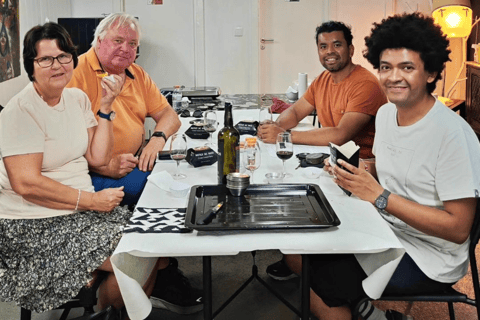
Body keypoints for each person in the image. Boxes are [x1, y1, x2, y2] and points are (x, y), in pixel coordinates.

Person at [288, 13, 480, 320]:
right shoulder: (388, 114)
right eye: (386, 67)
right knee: (296, 248)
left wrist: (379, 196)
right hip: (385, 227)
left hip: (429, 255)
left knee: (319, 276)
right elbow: (390, 165)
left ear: (430, 72)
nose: (393, 77)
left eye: (407, 67)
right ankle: (368, 312)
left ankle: (359, 311)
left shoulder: (452, 135)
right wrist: (358, 170)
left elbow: (458, 229)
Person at [0, 22, 161, 315]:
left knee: (150, 244)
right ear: (30, 65)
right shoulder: (21, 110)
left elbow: (97, 157)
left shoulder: (76, 99)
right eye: (46, 59)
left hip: (80, 212)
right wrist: (92, 200)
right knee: (136, 255)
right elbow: (26, 183)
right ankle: (108, 307)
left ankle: (105, 307)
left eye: (64, 56)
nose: (57, 65)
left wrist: (107, 106)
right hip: (35, 223)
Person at [67, 13, 202, 314]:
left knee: (177, 183)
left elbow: (170, 116)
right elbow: (57, 143)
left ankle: (148, 266)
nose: (126, 49)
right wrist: (102, 165)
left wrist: (156, 139)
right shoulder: (74, 73)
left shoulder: (136, 74)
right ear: (99, 40)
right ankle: (155, 269)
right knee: (159, 194)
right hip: (86, 175)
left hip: (128, 164)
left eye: (132, 44)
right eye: (118, 41)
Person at [260, 20, 387, 281]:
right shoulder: (323, 80)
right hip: (331, 161)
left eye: (337, 44)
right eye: (323, 46)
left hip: (362, 168)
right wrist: (275, 126)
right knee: (279, 183)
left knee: (294, 190)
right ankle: (296, 254)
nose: (329, 51)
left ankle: (309, 259)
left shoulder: (365, 84)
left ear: (351, 49)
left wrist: (284, 136)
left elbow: (341, 134)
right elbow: (296, 111)